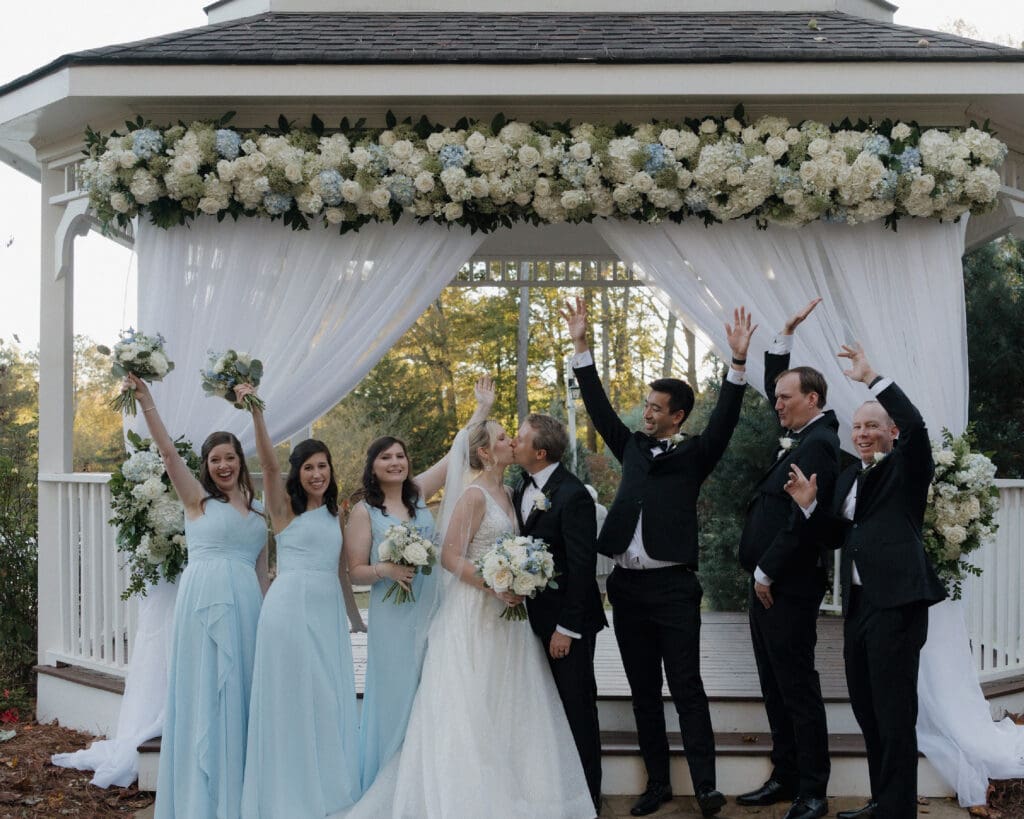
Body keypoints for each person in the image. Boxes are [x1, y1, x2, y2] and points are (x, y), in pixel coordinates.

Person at [335, 419, 595, 819]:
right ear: (485, 453)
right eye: (503, 439)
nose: (511, 442)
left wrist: (518, 577)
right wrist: (492, 584)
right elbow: (450, 556)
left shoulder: (512, 491)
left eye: (513, 437)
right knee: (469, 704)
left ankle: (515, 787)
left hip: (509, 615)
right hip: (474, 611)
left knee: (508, 700)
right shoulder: (473, 496)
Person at [563, 297, 756, 818]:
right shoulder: (629, 446)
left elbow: (726, 418)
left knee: (688, 687)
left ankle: (707, 786)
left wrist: (737, 365)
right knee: (643, 690)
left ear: (677, 416)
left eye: (654, 408)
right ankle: (657, 785)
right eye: (645, 405)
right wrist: (582, 345)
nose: (644, 412)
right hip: (626, 588)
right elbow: (599, 406)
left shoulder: (697, 453)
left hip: (674, 589)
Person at [784, 343, 947, 819]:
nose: (862, 433)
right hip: (859, 605)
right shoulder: (852, 476)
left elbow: (917, 426)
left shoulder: (908, 467)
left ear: (891, 432)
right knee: (868, 711)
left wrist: (873, 378)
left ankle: (898, 812)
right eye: (857, 427)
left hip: (898, 604)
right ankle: (882, 803)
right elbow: (837, 536)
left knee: (895, 716)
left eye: (872, 426)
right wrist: (810, 506)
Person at [127, 374, 269, 819]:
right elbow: (168, 453)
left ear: (240, 463)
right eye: (214, 460)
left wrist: (268, 624)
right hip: (204, 601)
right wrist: (147, 400)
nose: (222, 466)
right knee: (205, 692)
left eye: (230, 458)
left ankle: (237, 796)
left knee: (240, 694)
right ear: (206, 466)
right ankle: (198, 801)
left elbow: (263, 576)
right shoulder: (197, 502)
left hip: (246, 605)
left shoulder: (261, 512)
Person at [345, 377, 494, 791]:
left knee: (432, 690)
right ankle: (386, 781)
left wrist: (481, 410)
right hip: (392, 614)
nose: (396, 462)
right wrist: (386, 570)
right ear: (372, 466)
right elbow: (354, 569)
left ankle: (424, 781)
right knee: (395, 694)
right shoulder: (364, 511)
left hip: (431, 606)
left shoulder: (417, 493)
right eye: (386, 458)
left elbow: (457, 454)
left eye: (401, 456)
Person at [734, 298, 839, 819]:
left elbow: (802, 521)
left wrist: (766, 570)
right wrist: (784, 339)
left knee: (797, 687)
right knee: (774, 686)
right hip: (768, 586)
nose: (776, 404)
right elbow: (782, 385)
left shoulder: (820, 444)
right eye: (777, 396)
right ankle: (785, 775)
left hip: (788, 585)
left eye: (784, 397)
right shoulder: (803, 431)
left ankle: (813, 790)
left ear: (812, 398)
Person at [239, 384, 361, 818]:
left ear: (331, 470)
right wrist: (257, 412)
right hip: (288, 609)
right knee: (291, 696)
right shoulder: (283, 510)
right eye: (308, 467)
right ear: (298, 473)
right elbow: (269, 467)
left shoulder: (336, 512)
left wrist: (355, 619)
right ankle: (288, 792)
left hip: (326, 612)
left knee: (326, 697)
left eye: (322, 466)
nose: (316, 474)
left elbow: (343, 571)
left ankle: (324, 785)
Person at [512, 412, 607, 811]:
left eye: (520, 439)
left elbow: (583, 567)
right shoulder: (521, 486)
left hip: (568, 625)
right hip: (533, 621)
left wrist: (566, 628)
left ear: (541, 451)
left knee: (577, 709)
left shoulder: (573, 495)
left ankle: (588, 799)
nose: (514, 443)